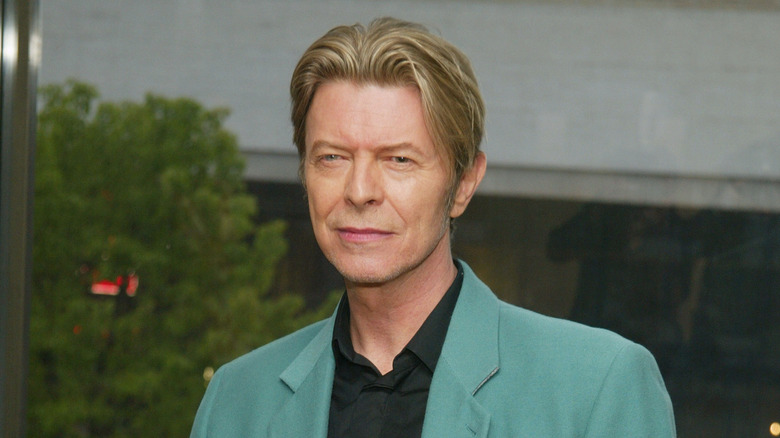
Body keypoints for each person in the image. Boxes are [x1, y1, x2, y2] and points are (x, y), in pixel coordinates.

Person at [190, 17, 676, 437]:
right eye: (332, 157)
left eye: (399, 159)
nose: (359, 190)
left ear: (463, 184)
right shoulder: (237, 400)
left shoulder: (596, 387)